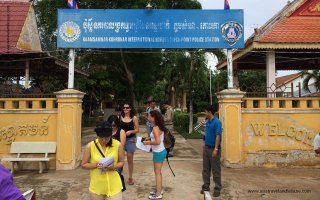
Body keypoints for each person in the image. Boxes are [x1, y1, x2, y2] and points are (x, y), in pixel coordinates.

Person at [82, 121, 125, 200]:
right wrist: (95, 164)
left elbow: (122, 162)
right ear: (97, 135)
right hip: (97, 187)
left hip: (114, 186)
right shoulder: (90, 146)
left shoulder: (117, 145)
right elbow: (84, 164)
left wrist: (114, 166)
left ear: (111, 134)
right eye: (101, 137)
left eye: (107, 137)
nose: (104, 140)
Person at [143, 110, 167, 200]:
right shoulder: (158, 126)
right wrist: (149, 137)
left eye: (149, 116)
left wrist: (148, 142)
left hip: (158, 152)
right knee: (158, 172)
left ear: (153, 117)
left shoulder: (155, 128)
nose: (148, 117)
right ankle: (159, 190)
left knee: (157, 173)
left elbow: (157, 141)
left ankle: (158, 194)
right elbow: (157, 137)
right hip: (160, 151)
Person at [200, 104, 222, 198]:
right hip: (206, 148)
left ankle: (217, 188)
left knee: (215, 169)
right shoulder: (207, 121)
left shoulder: (217, 122)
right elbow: (206, 133)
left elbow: (218, 136)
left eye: (205, 111)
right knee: (205, 169)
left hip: (214, 148)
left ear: (209, 112)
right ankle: (206, 186)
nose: (204, 113)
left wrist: (216, 149)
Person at [118, 103, 139, 185]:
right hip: (120, 140)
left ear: (130, 108)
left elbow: (137, 129)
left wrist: (131, 131)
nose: (125, 109)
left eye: (127, 107)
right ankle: (119, 175)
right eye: (124, 107)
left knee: (130, 159)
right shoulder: (119, 117)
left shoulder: (134, 118)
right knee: (120, 158)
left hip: (130, 140)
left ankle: (130, 177)